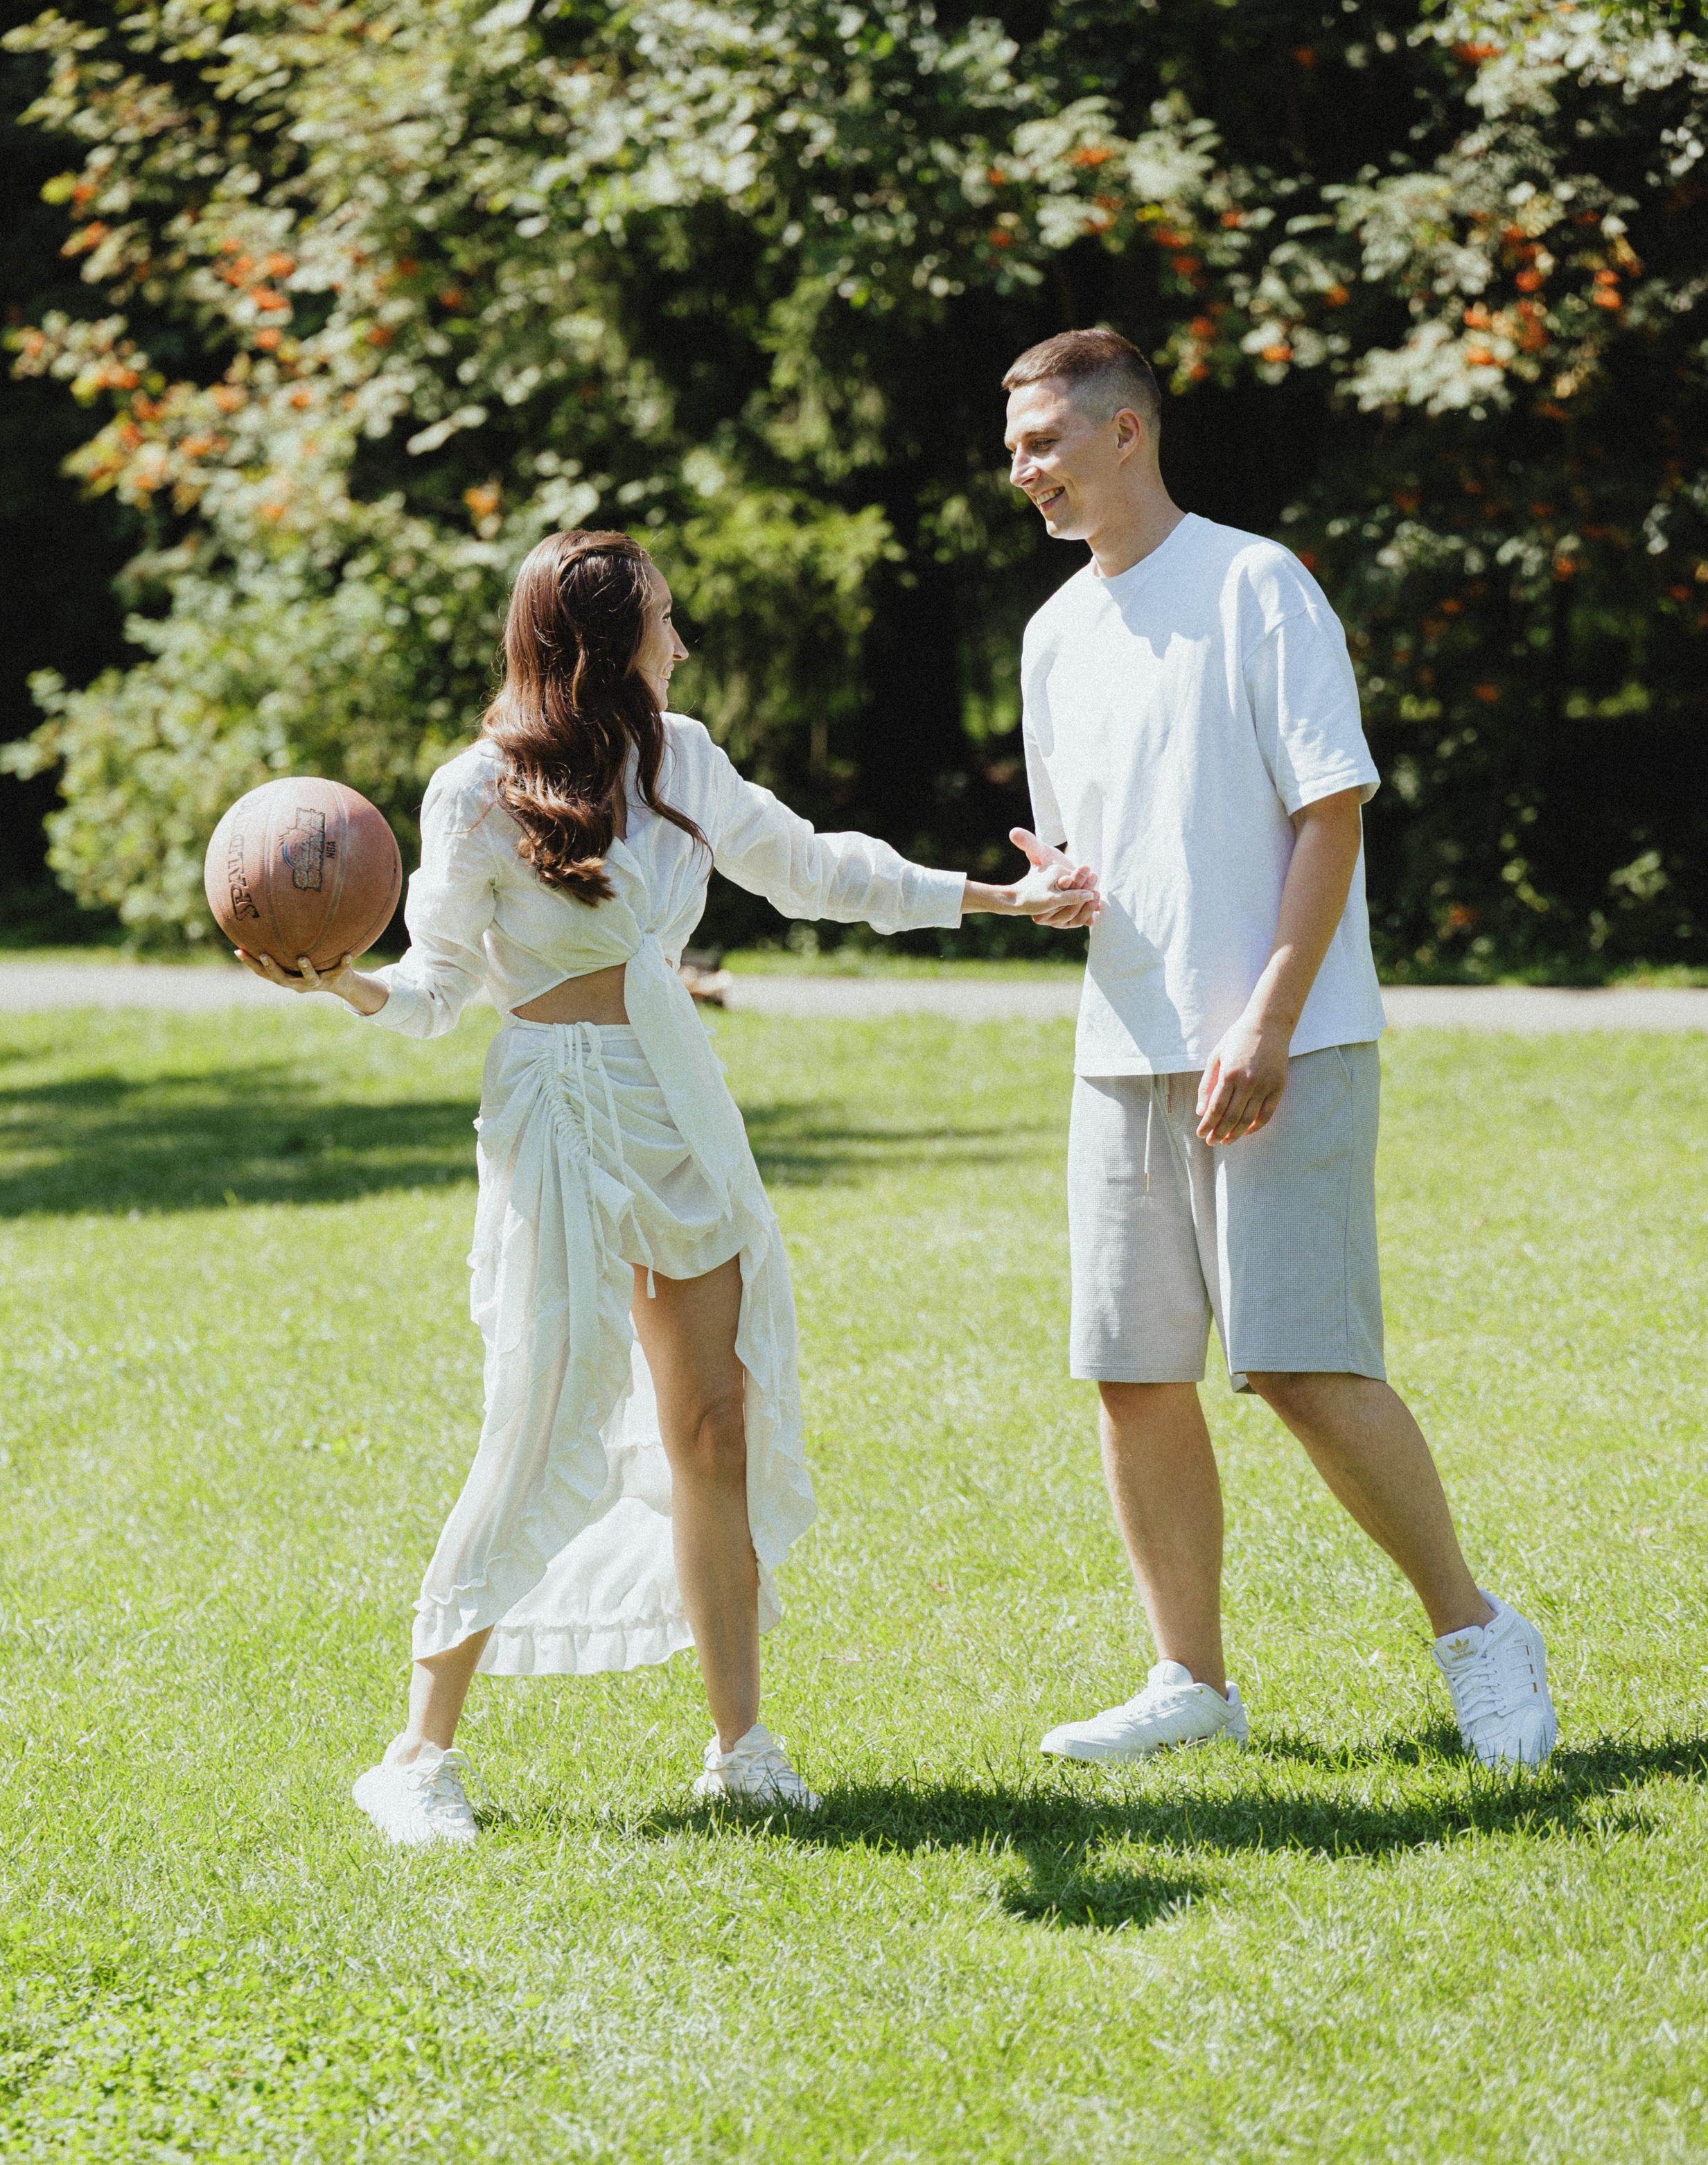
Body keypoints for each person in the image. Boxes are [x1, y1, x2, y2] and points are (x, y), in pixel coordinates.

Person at [244, 528, 1099, 1842]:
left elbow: (817, 867)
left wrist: (998, 899)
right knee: (540, 1412)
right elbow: (436, 989)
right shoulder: (476, 790)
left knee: (714, 1426)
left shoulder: (680, 755)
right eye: (661, 619)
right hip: (556, 1111)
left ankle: (741, 1747)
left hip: (675, 1104)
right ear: (594, 641)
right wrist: (337, 979)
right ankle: (415, 1755)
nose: (681, 640)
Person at [1004, 328, 1558, 1771]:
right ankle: (1188, 1676)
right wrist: (1055, 885)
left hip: (1281, 1039)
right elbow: (1093, 841)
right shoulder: (1050, 635)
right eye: (1013, 451)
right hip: (1121, 1046)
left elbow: (1329, 809)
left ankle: (1477, 1632)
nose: (1026, 472)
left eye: (1045, 443)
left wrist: (1262, 1020)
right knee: (1131, 1370)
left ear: (1126, 432)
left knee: (1300, 1362)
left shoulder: (1256, 584)